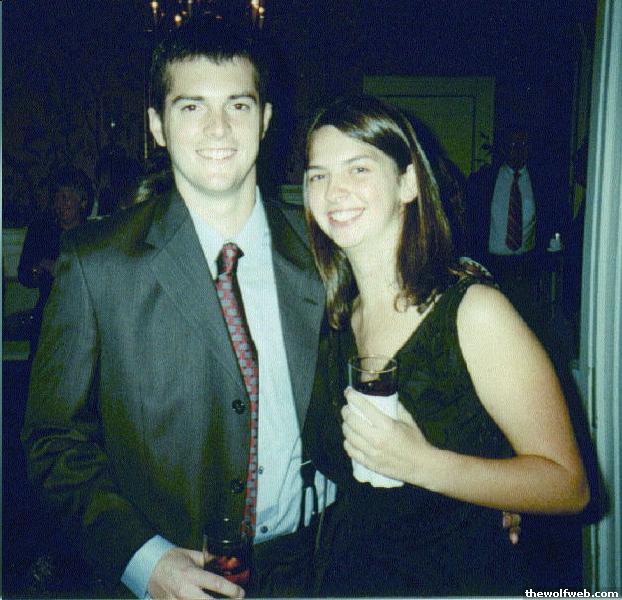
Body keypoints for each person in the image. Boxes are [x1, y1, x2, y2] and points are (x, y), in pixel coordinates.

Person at [22, 16, 334, 599]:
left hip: (313, 571)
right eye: (191, 107)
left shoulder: (323, 251)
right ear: (157, 125)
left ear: (266, 120)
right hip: (173, 575)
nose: (219, 128)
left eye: (239, 105)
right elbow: (52, 441)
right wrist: (144, 560)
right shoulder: (97, 263)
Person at [301, 95, 589, 596]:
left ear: (408, 183)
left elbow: (569, 486)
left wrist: (420, 463)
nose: (333, 191)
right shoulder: (336, 320)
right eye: (317, 175)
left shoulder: (474, 312)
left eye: (358, 168)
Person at [465, 125, 567, 314]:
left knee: (525, 318)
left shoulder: (542, 183)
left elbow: (552, 220)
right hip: (492, 268)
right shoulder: (483, 180)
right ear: (504, 147)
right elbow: (471, 223)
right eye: (512, 144)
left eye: (523, 144)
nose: (518, 149)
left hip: (526, 268)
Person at [17, 166, 92, 355]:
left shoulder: (94, 235)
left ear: (82, 201)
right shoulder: (40, 231)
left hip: (84, 320)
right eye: (57, 198)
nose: (60, 204)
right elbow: (24, 276)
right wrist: (40, 267)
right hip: (49, 319)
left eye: (66, 198)